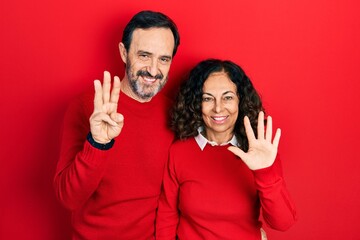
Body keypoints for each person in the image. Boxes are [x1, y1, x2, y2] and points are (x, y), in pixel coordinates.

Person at [54, 10, 180, 239]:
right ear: (124, 52)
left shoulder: (176, 113)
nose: (153, 70)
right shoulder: (86, 107)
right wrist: (98, 143)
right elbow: (68, 198)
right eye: (144, 55)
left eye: (163, 59)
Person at [156, 59, 297, 239]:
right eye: (207, 98)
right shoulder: (179, 152)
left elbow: (282, 223)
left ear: (240, 100)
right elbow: (166, 217)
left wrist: (265, 172)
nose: (218, 108)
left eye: (228, 97)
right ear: (195, 103)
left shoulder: (260, 152)